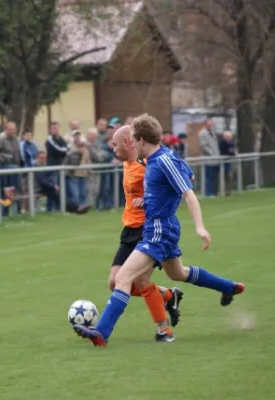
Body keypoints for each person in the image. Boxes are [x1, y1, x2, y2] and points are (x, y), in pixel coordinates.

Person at [73, 114, 244, 347]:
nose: (131, 144)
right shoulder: (161, 158)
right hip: (163, 228)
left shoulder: (161, 160)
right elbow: (187, 174)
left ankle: (101, 333)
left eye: (133, 139)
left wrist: (200, 227)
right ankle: (228, 287)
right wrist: (152, 200)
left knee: (123, 277)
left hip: (158, 231)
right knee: (178, 274)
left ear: (141, 140)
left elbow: (188, 192)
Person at [107, 126, 184, 332]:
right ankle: (168, 295)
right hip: (129, 230)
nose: (113, 150)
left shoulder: (148, 165)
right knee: (114, 283)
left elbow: (172, 185)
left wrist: (153, 202)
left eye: (115, 144)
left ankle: (164, 329)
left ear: (127, 142)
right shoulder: (126, 164)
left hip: (148, 228)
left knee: (141, 280)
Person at [199, 117, 220, 196]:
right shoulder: (202, 133)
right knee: (209, 177)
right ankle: (208, 193)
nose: (211, 125)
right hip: (209, 159)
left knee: (215, 177)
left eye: (212, 124)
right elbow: (203, 146)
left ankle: (215, 192)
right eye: (209, 124)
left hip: (216, 159)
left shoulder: (213, 132)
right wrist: (212, 153)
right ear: (205, 124)